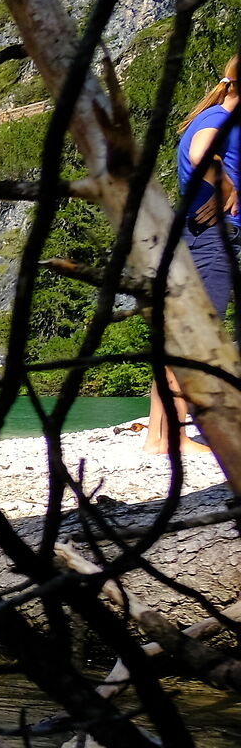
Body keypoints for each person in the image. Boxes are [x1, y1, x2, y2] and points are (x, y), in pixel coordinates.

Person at [149, 59, 241, 454]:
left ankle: (167, 434)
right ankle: (166, 438)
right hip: (214, 240)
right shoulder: (219, 118)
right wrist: (224, 184)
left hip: (214, 238)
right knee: (193, 336)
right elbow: (203, 151)